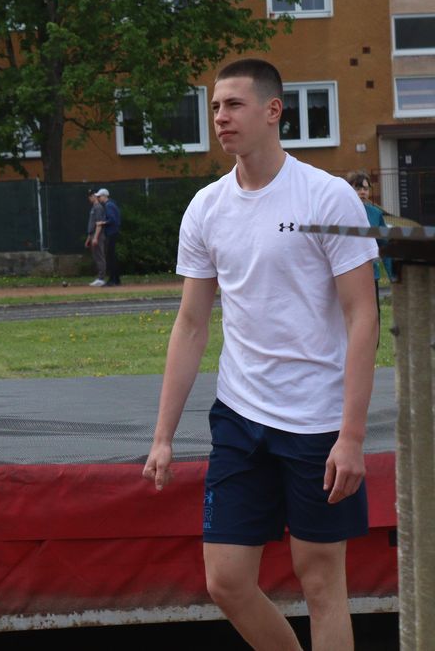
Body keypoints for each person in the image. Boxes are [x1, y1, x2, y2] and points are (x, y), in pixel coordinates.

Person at [143, 58, 378, 650]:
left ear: (274, 111)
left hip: (317, 423)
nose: (220, 117)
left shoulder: (329, 197)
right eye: (215, 107)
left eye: (233, 105)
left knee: (321, 583)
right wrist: (163, 436)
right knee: (226, 581)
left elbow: (363, 316)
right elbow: (191, 324)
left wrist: (351, 436)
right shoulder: (207, 207)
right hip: (241, 417)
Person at [345, 170, 393, 324]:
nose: (362, 192)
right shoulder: (339, 212)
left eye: (365, 188)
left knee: (372, 317)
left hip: (371, 275)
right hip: (346, 274)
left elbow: (385, 246)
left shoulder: (375, 214)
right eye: (358, 188)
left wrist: (393, 275)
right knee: (349, 317)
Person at [95, 188, 121, 286]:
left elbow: (112, 220)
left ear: (104, 196)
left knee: (110, 257)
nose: (98, 198)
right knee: (112, 256)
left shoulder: (109, 205)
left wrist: (102, 223)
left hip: (111, 233)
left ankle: (112, 280)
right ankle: (116, 279)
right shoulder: (111, 204)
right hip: (113, 232)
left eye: (99, 196)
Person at [84, 189, 107, 286]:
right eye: (89, 196)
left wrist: (96, 237)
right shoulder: (94, 207)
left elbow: (99, 224)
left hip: (97, 235)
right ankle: (99, 277)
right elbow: (92, 224)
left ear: (94, 196)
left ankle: (101, 278)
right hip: (92, 234)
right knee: (96, 256)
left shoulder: (98, 208)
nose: (89, 198)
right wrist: (89, 238)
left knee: (99, 256)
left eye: (91, 196)